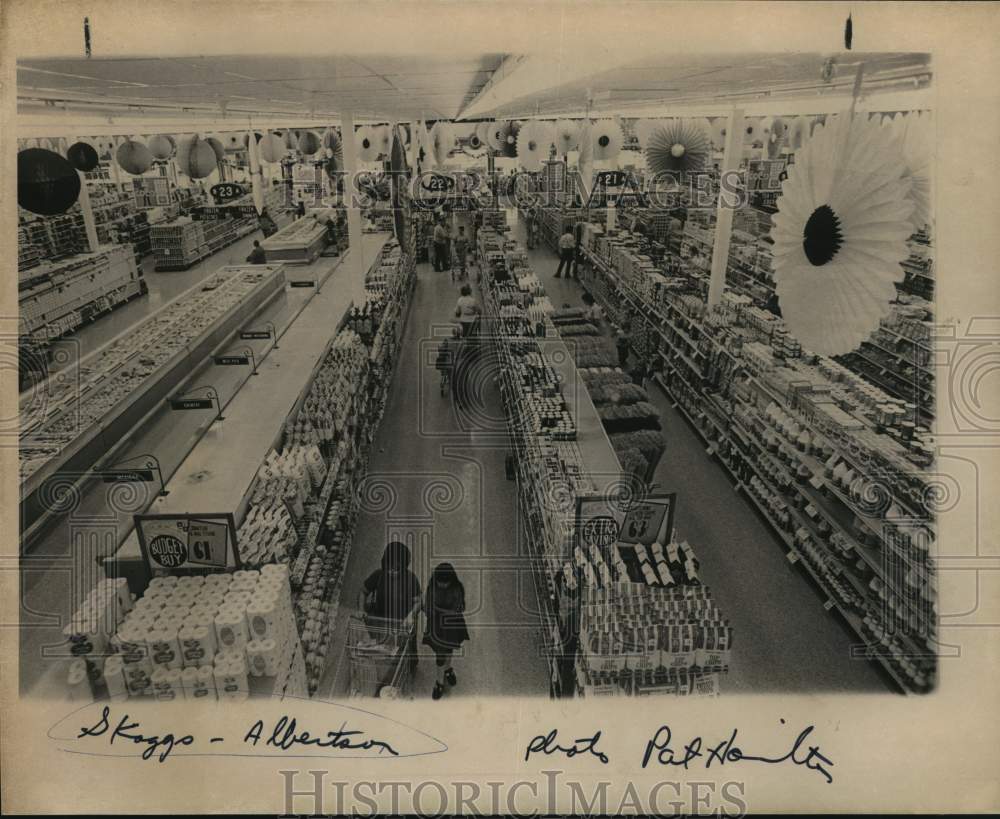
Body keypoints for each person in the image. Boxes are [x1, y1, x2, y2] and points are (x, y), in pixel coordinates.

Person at [423, 563, 470, 700]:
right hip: (439, 626)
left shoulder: (457, 589)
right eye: (440, 582)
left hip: (450, 626)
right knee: (440, 655)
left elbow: (457, 610)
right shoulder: (432, 587)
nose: (442, 585)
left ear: (451, 580)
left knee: (449, 649)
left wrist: (436, 610)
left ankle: (447, 670)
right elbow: (429, 607)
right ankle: (440, 681)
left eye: (445, 583)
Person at [360, 541, 421, 626]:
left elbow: (418, 602)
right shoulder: (379, 575)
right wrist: (360, 610)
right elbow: (363, 591)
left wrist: (411, 616)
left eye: (397, 568)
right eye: (389, 567)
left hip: (402, 624)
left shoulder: (411, 579)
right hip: (380, 621)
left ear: (404, 567)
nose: (392, 571)